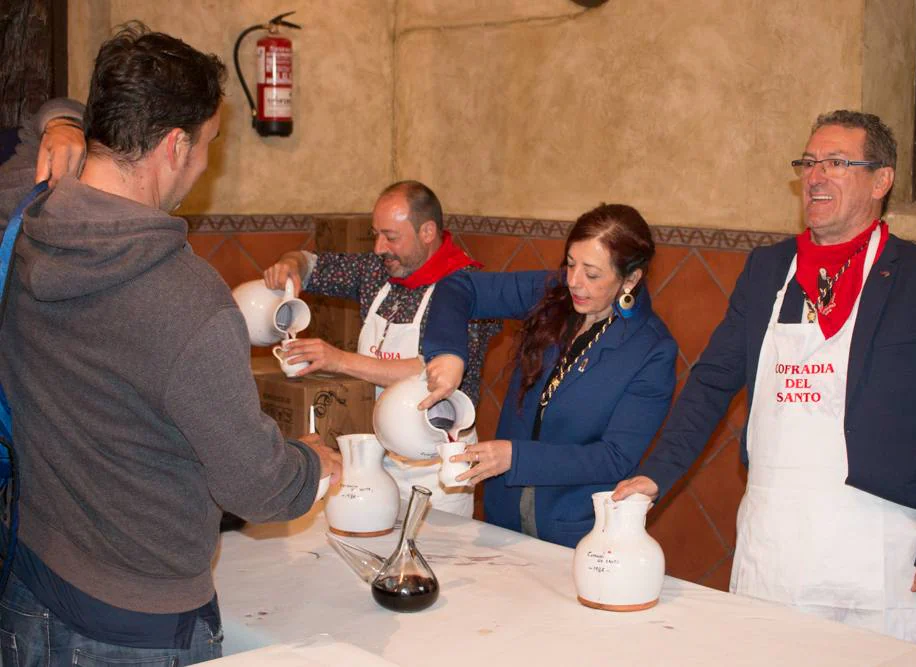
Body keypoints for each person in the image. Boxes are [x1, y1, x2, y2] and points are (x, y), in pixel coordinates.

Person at [0, 24, 340, 665]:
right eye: (209, 144)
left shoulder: (24, 227)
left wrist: (61, 124)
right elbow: (258, 490)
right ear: (175, 145)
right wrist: (314, 465)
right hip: (135, 628)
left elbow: (53, 117)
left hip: (26, 586)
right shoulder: (189, 299)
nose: (206, 163)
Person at [613, 110, 916, 648]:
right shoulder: (768, 270)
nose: (815, 175)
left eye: (836, 162)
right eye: (809, 162)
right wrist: (656, 474)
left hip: (883, 559)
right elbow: (712, 382)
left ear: (881, 180)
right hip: (776, 550)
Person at [419, 204, 677, 548]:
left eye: (592, 274)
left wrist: (516, 457)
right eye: (570, 264)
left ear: (630, 278)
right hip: (502, 517)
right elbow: (458, 287)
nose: (574, 282)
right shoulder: (553, 294)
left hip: (573, 532)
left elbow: (615, 456)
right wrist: (450, 353)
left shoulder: (651, 349)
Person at [264, 181, 501, 517]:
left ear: (428, 231)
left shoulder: (469, 289)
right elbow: (310, 263)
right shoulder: (379, 273)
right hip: (374, 458)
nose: (379, 247)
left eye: (391, 237)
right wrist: (290, 264)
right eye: (375, 234)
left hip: (436, 470)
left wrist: (338, 360)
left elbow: (429, 372)